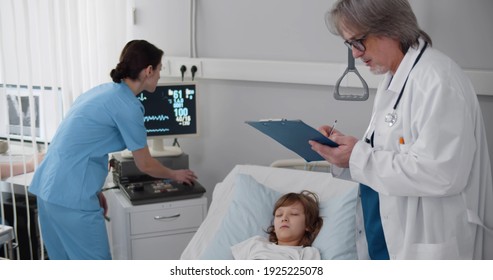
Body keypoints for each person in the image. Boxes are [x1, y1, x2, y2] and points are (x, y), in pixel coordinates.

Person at [309, 0, 493, 260]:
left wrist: (358, 157)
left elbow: (443, 174)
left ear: (390, 29)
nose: (356, 54)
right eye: (349, 44)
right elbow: (387, 155)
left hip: (429, 244)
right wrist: (346, 152)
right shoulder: (393, 78)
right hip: (386, 235)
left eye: (358, 42)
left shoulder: (438, 80)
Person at [28, 40, 198, 260]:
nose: (159, 75)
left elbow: (79, 145)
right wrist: (175, 174)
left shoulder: (101, 92)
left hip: (48, 192)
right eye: (159, 70)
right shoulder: (128, 106)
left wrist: (94, 189)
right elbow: (144, 164)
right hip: (72, 199)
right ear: (148, 71)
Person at [231, 190, 323, 260]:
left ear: (308, 225)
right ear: (274, 227)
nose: (284, 218)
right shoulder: (256, 243)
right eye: (279, 215)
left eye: (294, 214)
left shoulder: (307, 253)